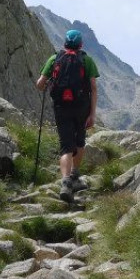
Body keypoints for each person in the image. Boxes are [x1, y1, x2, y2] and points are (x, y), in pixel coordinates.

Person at [36, 29, 99, 201]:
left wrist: (49, 82)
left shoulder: (54, 58)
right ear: (81, 45)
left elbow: (40, 84)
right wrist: (92, 114)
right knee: (79, 141)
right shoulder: (87, 60)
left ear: (65, 43)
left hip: (61, 107)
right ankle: (74, 177)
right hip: (81, 107)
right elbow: (93, 88)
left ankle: (65, 183)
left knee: (66, 146)